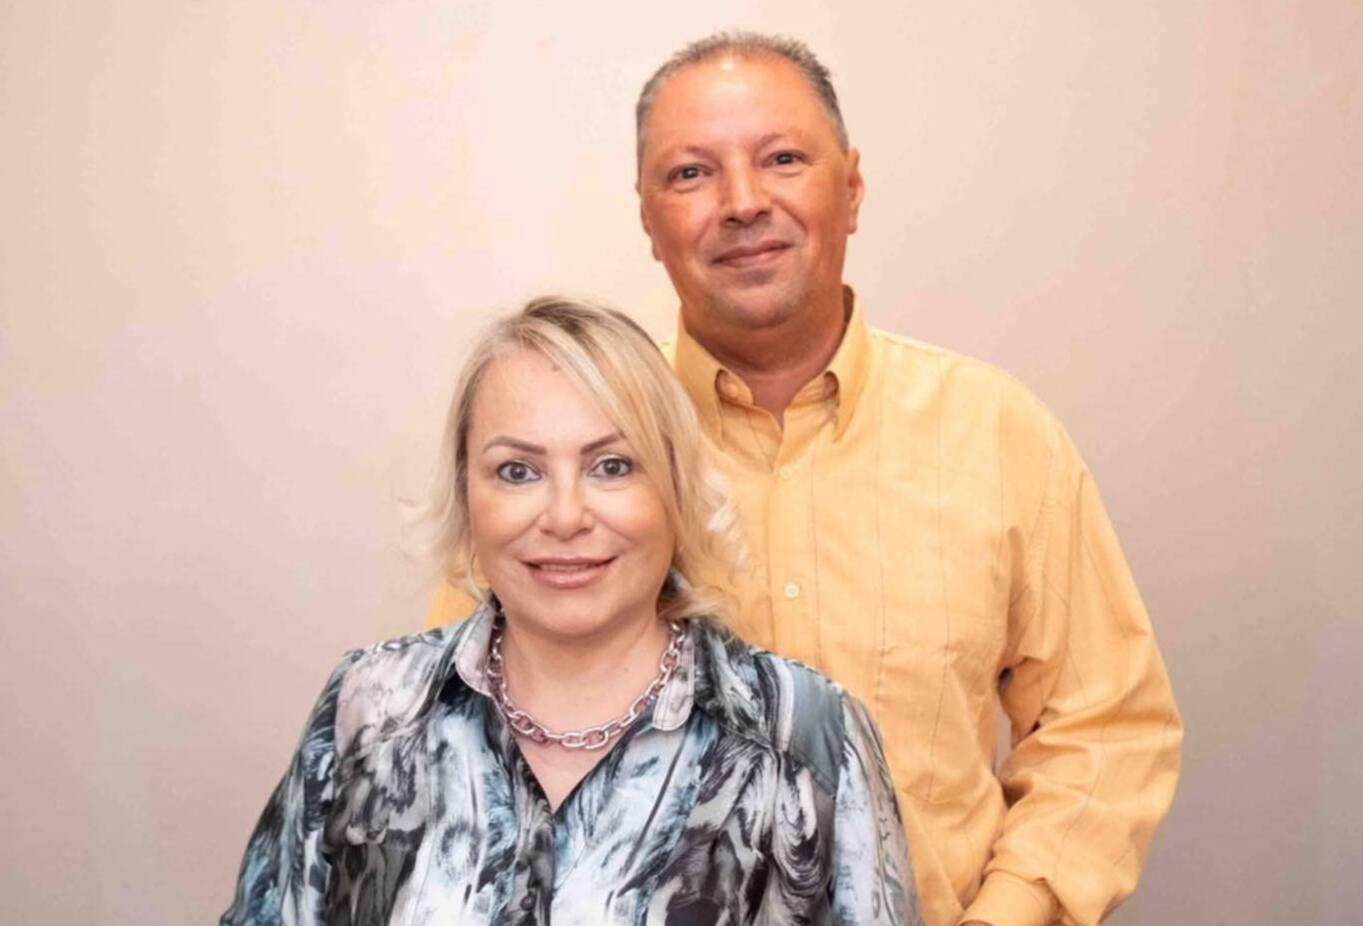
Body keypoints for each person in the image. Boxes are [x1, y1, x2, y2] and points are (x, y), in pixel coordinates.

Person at [425, 32, 1184, 926]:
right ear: (647, 217)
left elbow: (1105, 729)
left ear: (851, 188)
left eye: (782, 159)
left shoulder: (997, 433)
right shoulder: (565, 453)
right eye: (690, 173)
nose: (743, 203)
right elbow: (452, 734)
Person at [222, 297, 920, 925]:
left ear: (674, 486)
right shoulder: (369, 708)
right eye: (517, 471)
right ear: (467, 496)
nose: (564, 516)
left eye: (611, 466)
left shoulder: (804, 735)